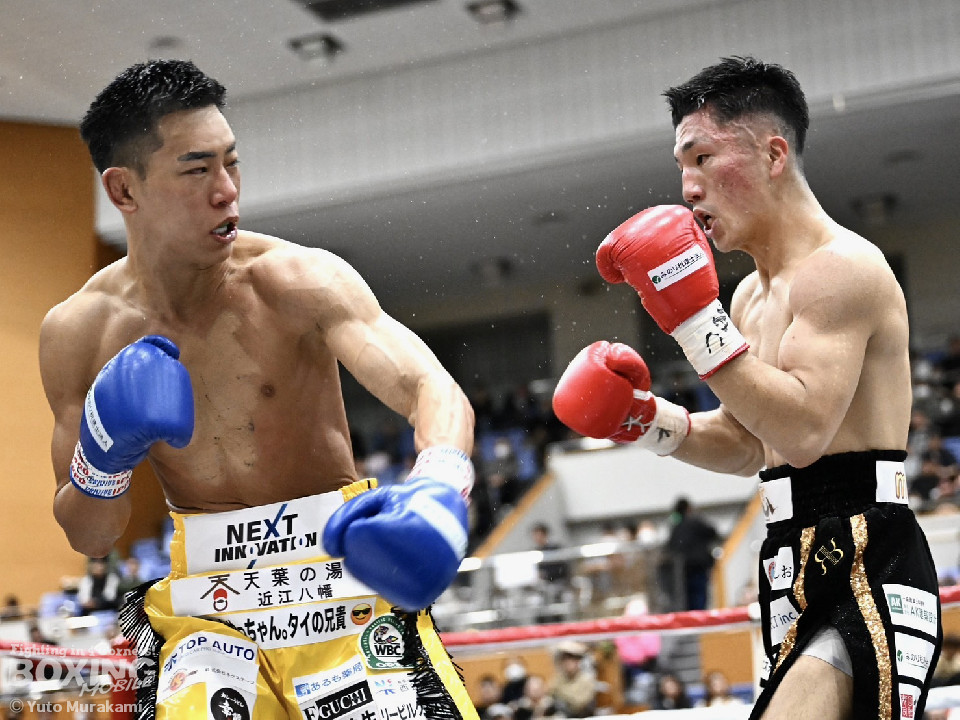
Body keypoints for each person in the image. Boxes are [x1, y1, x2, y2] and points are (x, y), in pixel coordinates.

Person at [39, 59, 477, 720]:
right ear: (124, 190)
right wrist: (103, 460)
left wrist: (439, 485)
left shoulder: (296, 280)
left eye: (232, 162)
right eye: (197, 169)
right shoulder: (79, 333)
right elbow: (91, 537)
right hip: (206, 610)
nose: (227, 191)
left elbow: (427, 386)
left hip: (339, 579)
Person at [551, 56, 941, 720]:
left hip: (868, 554)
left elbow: (804, 430)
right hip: (789, 555)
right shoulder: (749, 299)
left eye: (702, 158)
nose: (688, 187)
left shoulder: (844, 268)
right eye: (682, 166)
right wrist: (642, 419)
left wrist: (693, 324)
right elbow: (749, 443)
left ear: (773, 154)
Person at [663, 497, 719, 610]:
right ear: (688, 509)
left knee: (688, 597)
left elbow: (671, 546)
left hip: (683, 568)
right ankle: (700, 615)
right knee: (699, 595)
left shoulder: (676, 527)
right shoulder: (695, 522)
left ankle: (693, 615)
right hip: (698, 566)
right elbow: (713, 533)